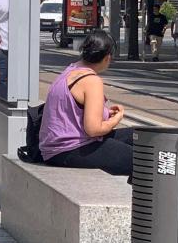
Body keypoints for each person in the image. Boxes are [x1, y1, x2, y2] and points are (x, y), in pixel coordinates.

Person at [39, 30, 132, 180]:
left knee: (140, 136)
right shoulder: (91, 80)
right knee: (145, 159)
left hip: (56, 147)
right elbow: (94, 129)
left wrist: (105, 113)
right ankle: (142, 202)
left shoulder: (71, 70)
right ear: (107, 58)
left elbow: (73, 111)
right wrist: (116, 119)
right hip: (70, 149)